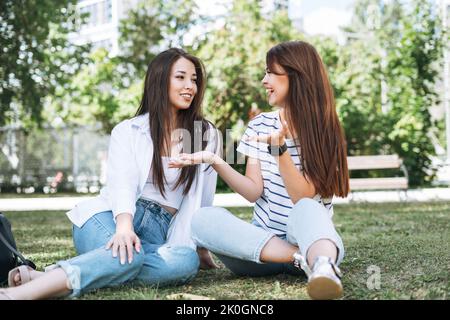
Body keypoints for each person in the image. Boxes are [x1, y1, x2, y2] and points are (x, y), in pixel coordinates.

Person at [0, 48, 219, 300]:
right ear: (159, 80)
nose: (190, 86)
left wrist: (201, 248)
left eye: (194, 79)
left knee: (185, 262)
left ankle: (51, 275)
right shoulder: (128, 130)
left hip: (159, 234)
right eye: (180, 77)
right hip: (108, 218)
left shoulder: (204, 134)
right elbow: (121, 182)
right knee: (130, 256)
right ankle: (19, 294)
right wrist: (124, 226)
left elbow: (204, 194)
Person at [169, 41, 349, 300]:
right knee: (202, 219)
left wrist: (280, 150)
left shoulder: (326, 129)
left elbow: (303, 197)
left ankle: (322, 266)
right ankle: (302, 258)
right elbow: (254, 192)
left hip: (314, 241)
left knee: (308, 208)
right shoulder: (261, 124)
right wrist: (214, 159)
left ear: (296, 76)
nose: (264, 80)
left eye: (271, 72)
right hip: (261, 252)